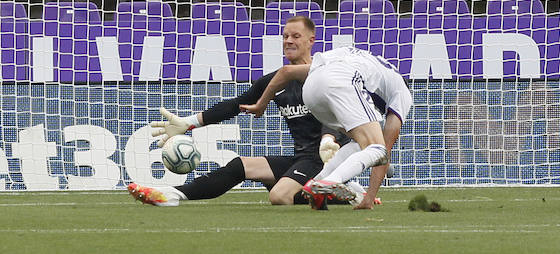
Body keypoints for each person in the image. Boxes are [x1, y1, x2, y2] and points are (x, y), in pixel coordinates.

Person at [126, 16, 355, 207]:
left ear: (311, 41)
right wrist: (188, 123)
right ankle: (172, 194)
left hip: (325, 159)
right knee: (240, 165)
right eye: (285, 36)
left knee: (279, 196)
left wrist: (328, 138)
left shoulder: (324, 75)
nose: (288, 41)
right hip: (302, 159)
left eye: (295, 36)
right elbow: (235, 105)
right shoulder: (275, 81)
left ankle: (337, 192)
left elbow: (336, 112)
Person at [241, 42, 412, 209]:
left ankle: (315, 183)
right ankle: (329, 182)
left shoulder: (358, 59)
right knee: (378, 150)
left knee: (360, 144)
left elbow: (286, 71)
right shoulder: (401, 93)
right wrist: (370, 197)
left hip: (310, 90)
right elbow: (384, 149)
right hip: (343, 82)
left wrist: (261, 104)